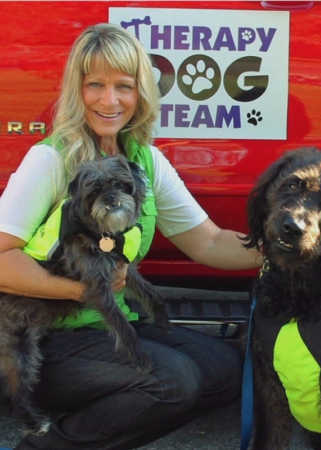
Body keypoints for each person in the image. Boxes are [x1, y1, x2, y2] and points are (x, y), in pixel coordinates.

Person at [0, 23, 261, 450]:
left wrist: (286, 251)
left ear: (141, 92)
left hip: (107, 325)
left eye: (124, 86)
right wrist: (77, 289)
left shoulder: (145, 161)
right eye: (95, 85)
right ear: (75, 91)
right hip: (43, 337)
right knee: (174, 383)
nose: (110, 100)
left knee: (226, 370)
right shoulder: (50, 160)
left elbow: (208, 241)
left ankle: (108, 422)